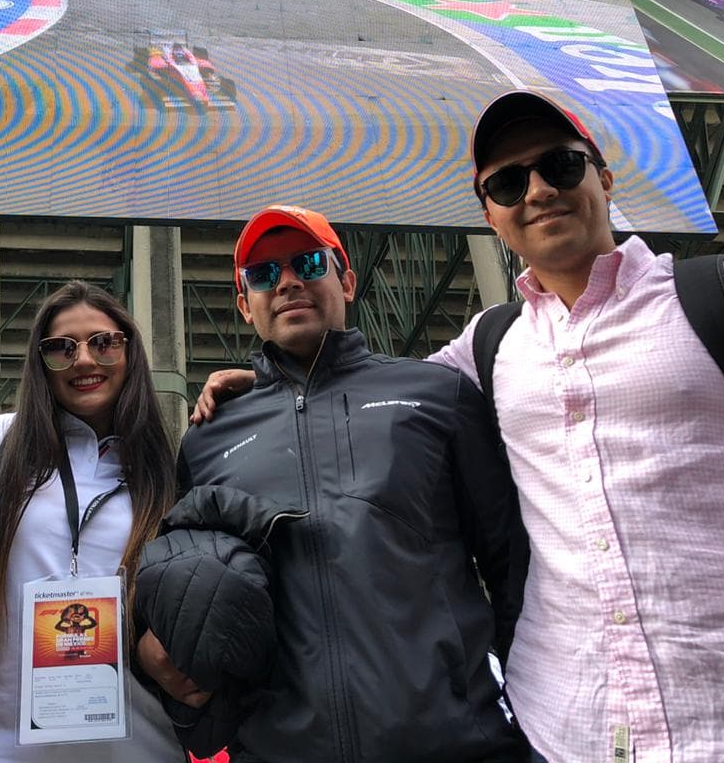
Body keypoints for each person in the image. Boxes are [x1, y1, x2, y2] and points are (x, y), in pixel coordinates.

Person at [196, 92, 724, 763]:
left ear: (604, 176)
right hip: (574, 732)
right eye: (510, 182)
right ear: (490, 212)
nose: (538, 191)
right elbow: (366, 398)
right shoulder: (489, 345)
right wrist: (271, 390)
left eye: (560, 167)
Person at [136, 205, 528, 763]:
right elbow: (185, 582)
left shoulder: (437, 395)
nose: (289, 282)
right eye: (264, 274)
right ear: (246, 305)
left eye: (308, 262)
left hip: (453, 744)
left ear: (345, 279)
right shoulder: (208, 438)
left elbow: (512, 571)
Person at [0, 281, 182, 763]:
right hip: (1, 745)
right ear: (41, 363)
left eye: (103, 342)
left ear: (130, 351)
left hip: (140, 745)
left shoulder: (167, 470)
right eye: (61, 348)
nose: (83, 360)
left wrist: (248, 393)